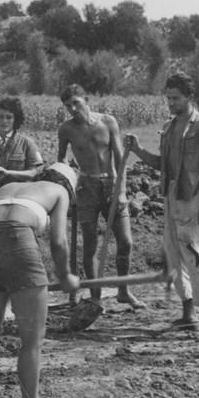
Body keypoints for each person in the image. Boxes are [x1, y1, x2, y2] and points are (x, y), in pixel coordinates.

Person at [0, 162, 81, 398]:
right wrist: (65, 276)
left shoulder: (8, 187)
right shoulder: (59, 192)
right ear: (69, 187)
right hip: (20, 245)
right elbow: (59, 241)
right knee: (32, 339)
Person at [124, 72, 199, 342]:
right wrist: (137, 149)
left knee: (197, 256)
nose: (170, 103)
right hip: (171, 197)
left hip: (194, 200)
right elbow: (163, 164)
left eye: (175, 98)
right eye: (168, 98)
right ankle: (189, 316)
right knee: (174, 257)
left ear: (189, 97)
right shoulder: (169, 127)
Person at [58, 84, 145, 309]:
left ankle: (123, 291)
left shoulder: (108, 122)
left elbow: (120, 158)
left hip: (111, 184)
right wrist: (68, 182)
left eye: (76, 103)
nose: (73, 109)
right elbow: (62, 159)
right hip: (86, 187)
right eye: (68, 106)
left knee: (125, 242)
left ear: (86, 99)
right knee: (90, 245)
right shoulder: (66, 129)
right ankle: (95, 298)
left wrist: (121, 191)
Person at [0, 97, 44, 204]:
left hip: (20, 198)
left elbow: (35, 173)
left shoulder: (27, 144)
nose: (4, 121)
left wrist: (8, 173)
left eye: (9, 117)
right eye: (0, 117)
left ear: (15, 119)